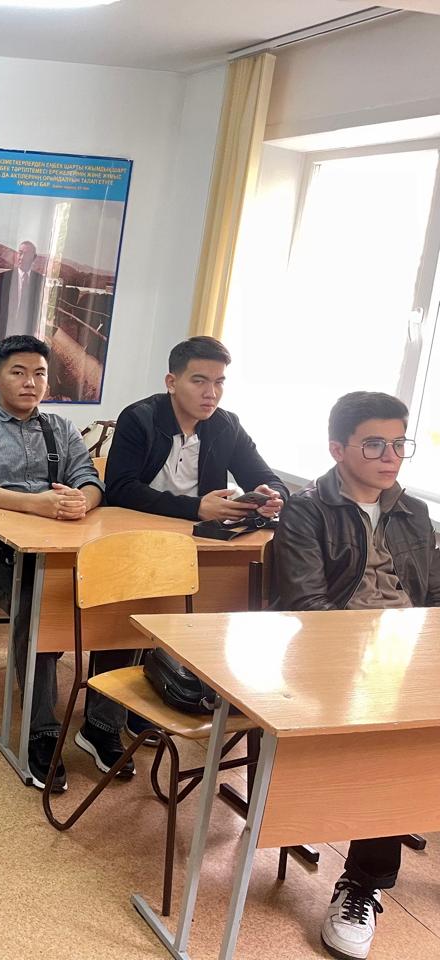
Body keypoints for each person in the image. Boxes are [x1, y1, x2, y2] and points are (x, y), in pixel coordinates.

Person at [270, 391, 437, 960]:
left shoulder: (414, 513)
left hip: (406, 653)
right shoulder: (305, 511)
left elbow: (433, 595)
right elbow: (308, 608)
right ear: (338, 449)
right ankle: (362, 883)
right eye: (374, 444)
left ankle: (413, 805)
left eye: (399, 443)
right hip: (332, 658)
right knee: (393, 741)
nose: (391, 456)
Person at [0, 334, 133, 793]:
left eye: (39, 374)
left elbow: (90, 481)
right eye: (18, 372)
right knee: (40, 604)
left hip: (63, 551)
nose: (30, 382)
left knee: (120, 600)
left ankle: (102, 725)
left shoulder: (62, 429)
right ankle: (42, 730)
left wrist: (82, 502)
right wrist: (37, 504)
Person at [105, 336, 288, 522]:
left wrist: (273, 498)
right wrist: (195, 508)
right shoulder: (139, 418)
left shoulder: (227, 425)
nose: (211, 393)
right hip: (136, 526)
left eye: (219, 382)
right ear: (171, 383)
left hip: (200, 532)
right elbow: (120, 489)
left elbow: (268, 479)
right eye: (199, 381)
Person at [0, 240, 45, 339]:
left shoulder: (39, 281)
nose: (22, 257)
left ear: (34, 257)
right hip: (4, 333)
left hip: (27, 336)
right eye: (20, 253)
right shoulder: (5, 278)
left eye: (26, 254)